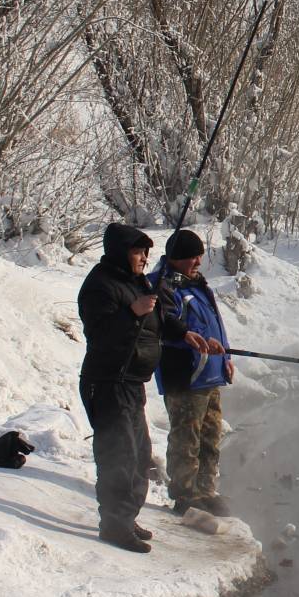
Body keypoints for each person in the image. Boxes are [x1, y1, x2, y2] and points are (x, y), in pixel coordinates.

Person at [77, 224, 206, 553]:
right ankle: (114, 525)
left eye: (147, 252)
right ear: (121, 251)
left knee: (138, 456)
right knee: (117, 455)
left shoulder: (134, 282)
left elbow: (157, 317)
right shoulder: (99, 286)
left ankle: (127, 515)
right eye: (137, 251)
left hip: (131, 383)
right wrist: (131, 314)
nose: (144, 258)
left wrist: (183, 333)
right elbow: (100, 334)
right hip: (107, 382)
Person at [149, 229, 234, 518]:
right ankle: (185, 495)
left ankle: (206, 490)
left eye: (198, 255)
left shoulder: (198, 285)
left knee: (211, 436)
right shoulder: (164, 286)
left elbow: (214, 326)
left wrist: (227, 358)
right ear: (175, 258)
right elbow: (165, 326)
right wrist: (187, 336)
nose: (198, 261)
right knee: (187, 438)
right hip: (185, 376)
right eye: (191, 257)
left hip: (210, 374)